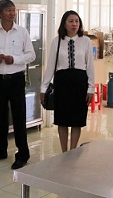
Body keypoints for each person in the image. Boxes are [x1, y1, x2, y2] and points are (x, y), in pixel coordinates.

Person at [0, 0, 36, 169]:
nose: (12, 13)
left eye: (13, 10)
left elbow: (31, 55)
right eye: (8, 10)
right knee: (0, 116)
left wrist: (15, 60)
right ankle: (0, 150)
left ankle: (22, 154)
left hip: (16, 79)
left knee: (19, 117)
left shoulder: (22, 32)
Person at [41, 11, 95, 152]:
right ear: (64, 23)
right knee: (62, 119)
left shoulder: (86, 41)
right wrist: (43, 88)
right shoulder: (57, 41)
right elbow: (51, 66)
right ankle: (64, 151)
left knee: (77, 120)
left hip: (80, 83)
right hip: (62, 83)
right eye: (71, 21)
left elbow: (90, 66)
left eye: (77, 21)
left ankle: (73, 151)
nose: (74, 24)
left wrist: (91, 88)